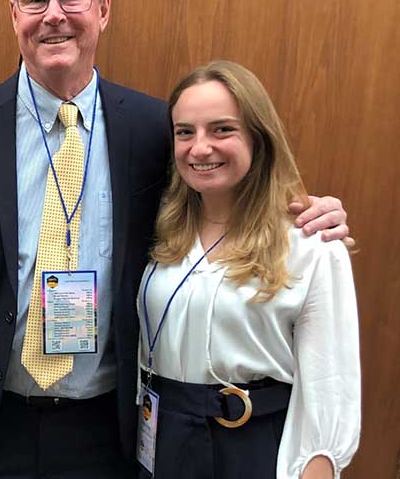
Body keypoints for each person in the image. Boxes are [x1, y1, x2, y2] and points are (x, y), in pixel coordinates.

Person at [0, 0, 350, 477]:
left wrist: (298, 211)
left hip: (112, 432)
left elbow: (219, 190)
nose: (54, 14)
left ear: (104, 8)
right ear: (13, 12)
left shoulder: (154, 129)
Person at [136, 61, 360, 478]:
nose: (199, 148)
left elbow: (330, 386)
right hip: (164, 438)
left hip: (254, 445)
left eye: (222, 129)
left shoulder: (311, 244)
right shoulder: (161, 235)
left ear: (258, 137)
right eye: (185, 132)